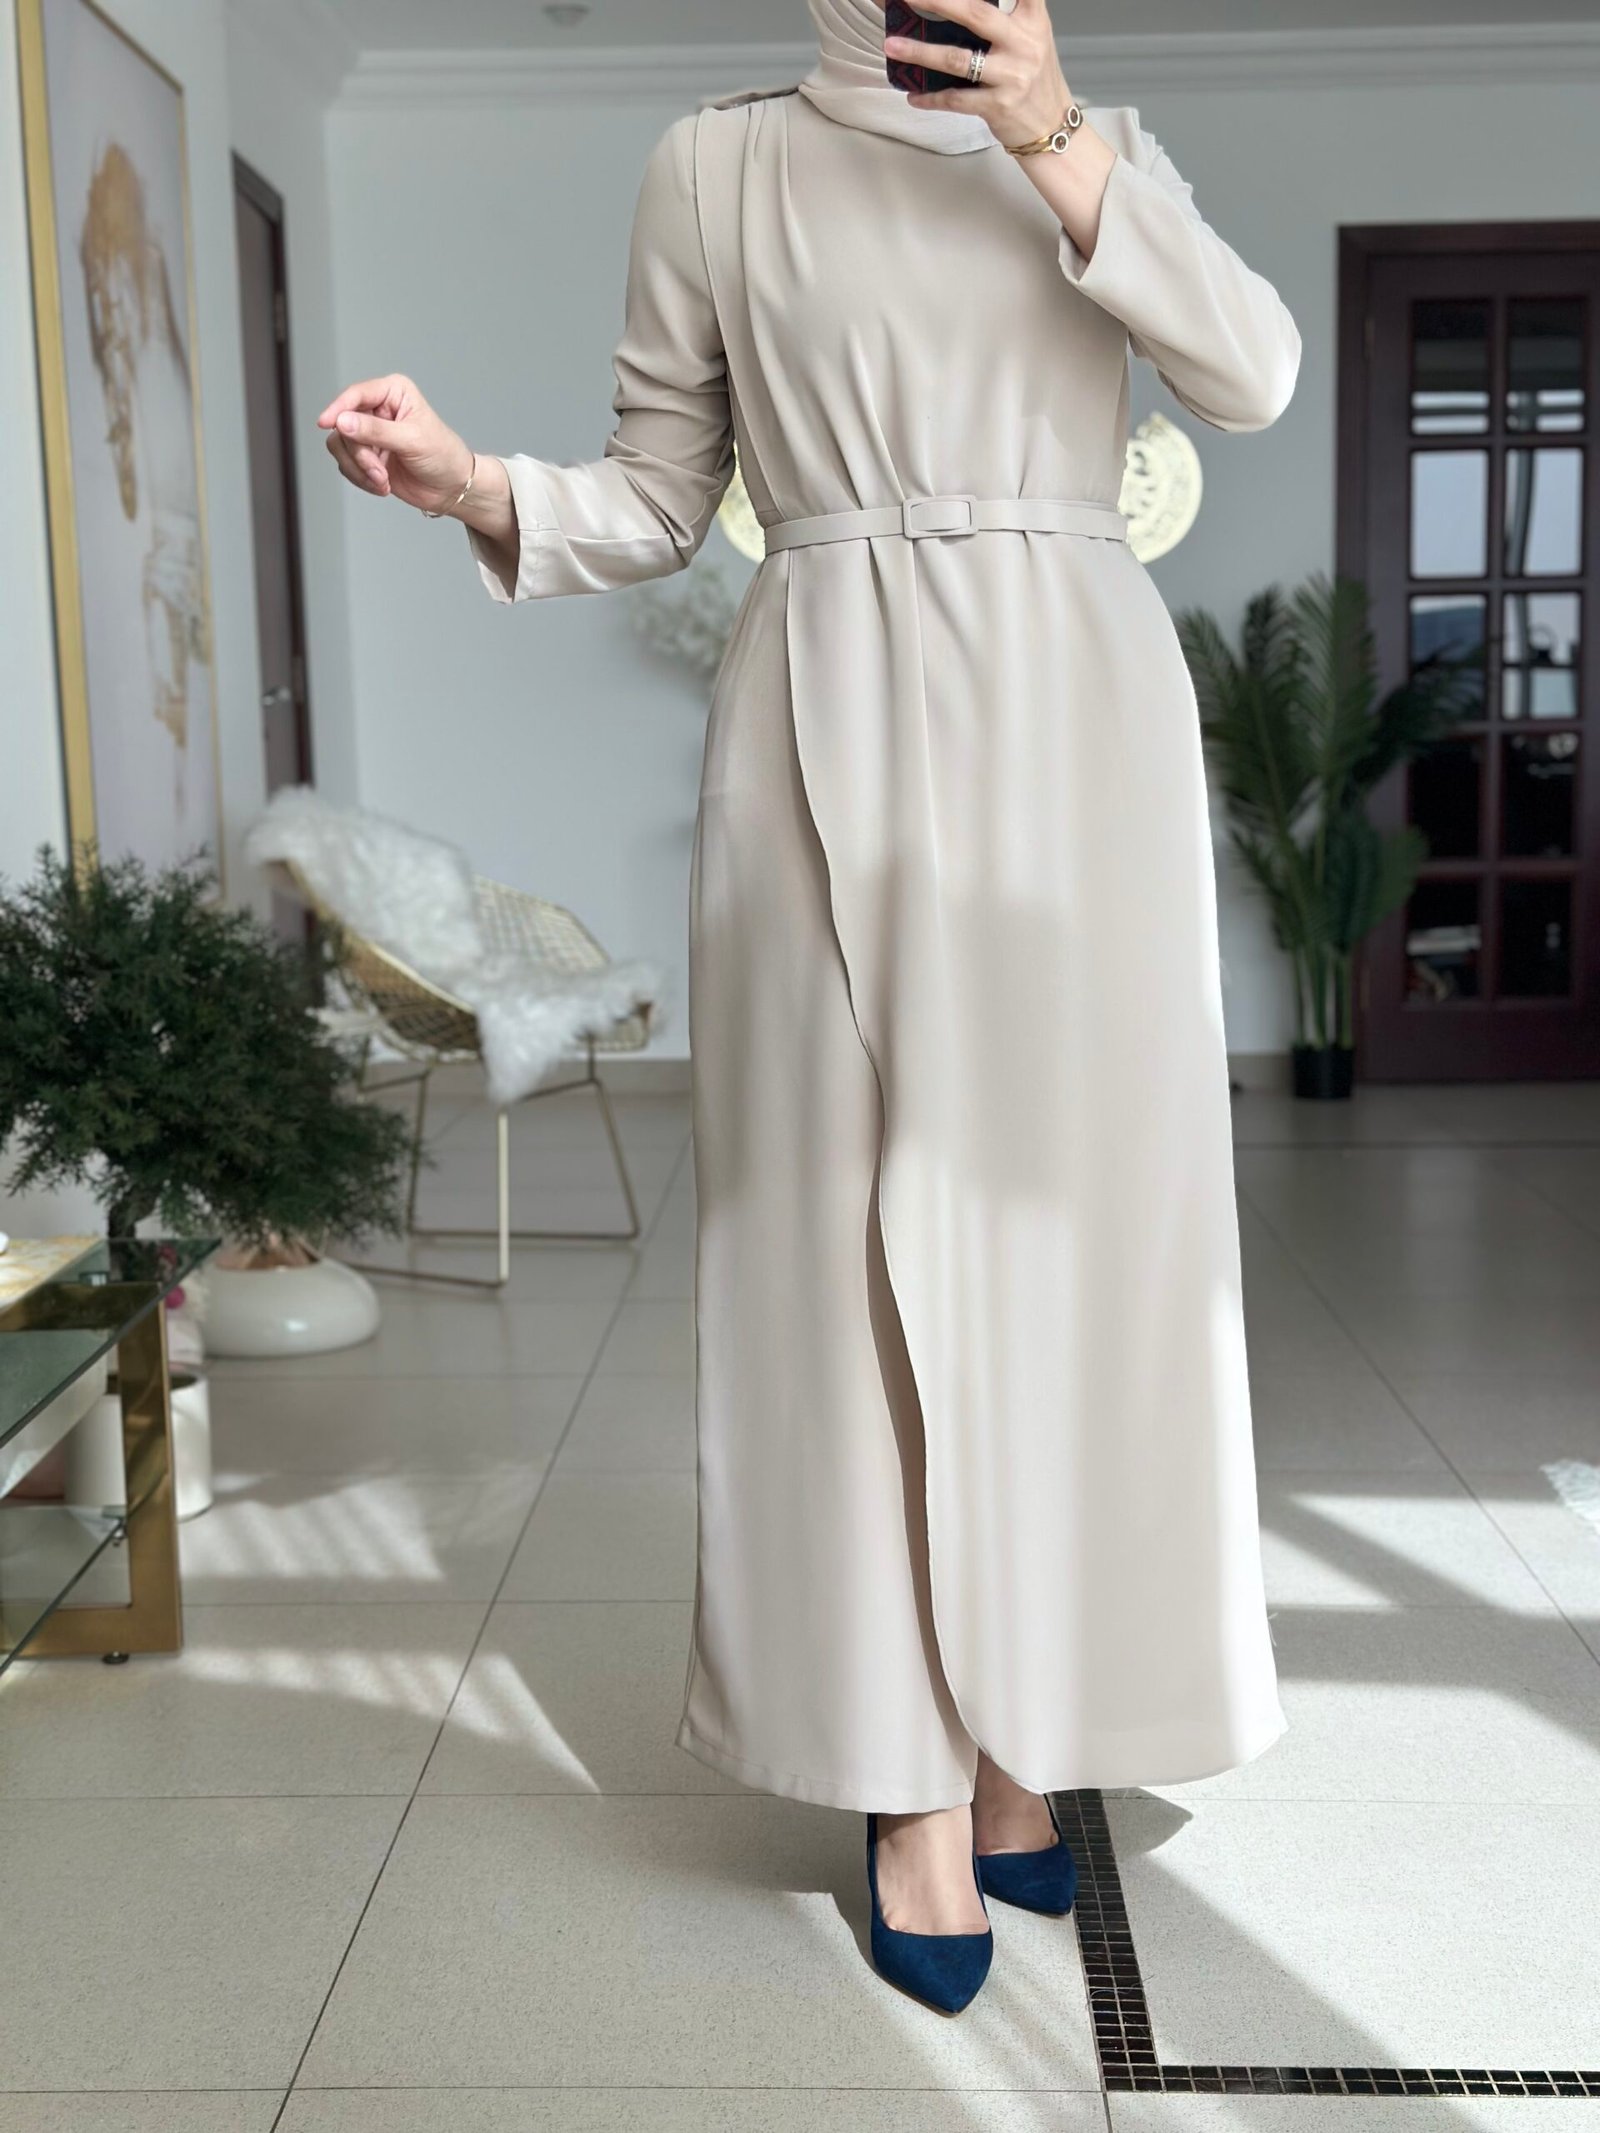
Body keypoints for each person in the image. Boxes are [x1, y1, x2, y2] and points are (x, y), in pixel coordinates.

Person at [320, 0, 1300, 2015]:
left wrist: (1051, 138)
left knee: (1075, 1248)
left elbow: (1252, 375)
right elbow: (657, 494)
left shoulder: (1091, 137)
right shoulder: (720, 161)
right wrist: (471, 482)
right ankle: (900, 1778)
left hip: (1076, 717)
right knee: (835, 1256)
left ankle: (1037, 1728)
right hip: (822, 690)